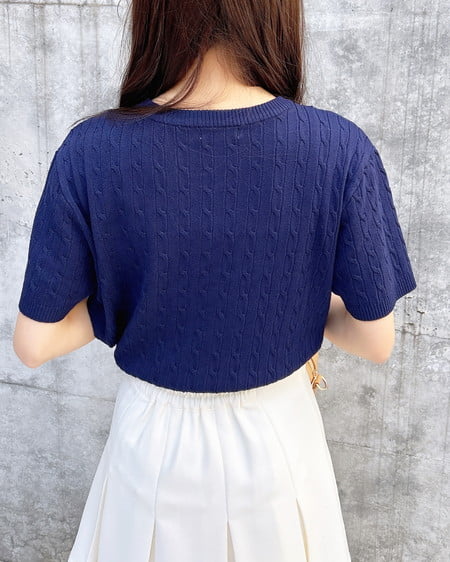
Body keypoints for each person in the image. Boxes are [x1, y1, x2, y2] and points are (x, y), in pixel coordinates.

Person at [13, 1, 417, 561]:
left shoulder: (91, 150)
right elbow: (375, 340)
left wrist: (134, 304)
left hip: (148, 447)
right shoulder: (338, 148)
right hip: (279, 442)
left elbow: (34, 344)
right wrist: (295, 300)